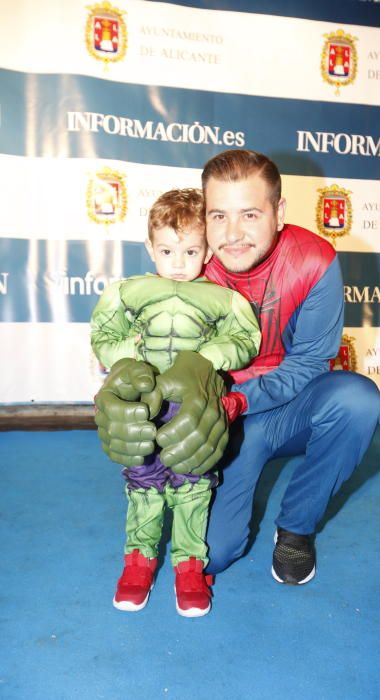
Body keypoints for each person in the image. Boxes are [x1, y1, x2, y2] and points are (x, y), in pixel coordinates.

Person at [95, 150, 380, 590]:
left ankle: (297, 529)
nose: (232, 234)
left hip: (283, 407)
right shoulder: (189, 261)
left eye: (249, 214)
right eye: (218, 216)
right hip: (222, 421)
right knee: (212, 554)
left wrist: (237, 398)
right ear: (203, 217)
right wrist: (119, 388)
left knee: (356, 401)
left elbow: (309, 362)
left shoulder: (314, 260)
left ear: (278, 212)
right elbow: (145, 347)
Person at [91, 188, 260, 616]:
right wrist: (127, 357)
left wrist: (205, 360)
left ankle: (188, 564)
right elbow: (103, 337)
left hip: (194, 407)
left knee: (194, 487)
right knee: (143, 486)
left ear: (207, 251)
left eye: (190, 250)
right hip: (144, 406)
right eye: (167, 250)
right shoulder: (128, 291)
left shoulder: (224, 298)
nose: (179, 262)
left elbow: (245, 339)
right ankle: (139, 561)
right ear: (150, 247)